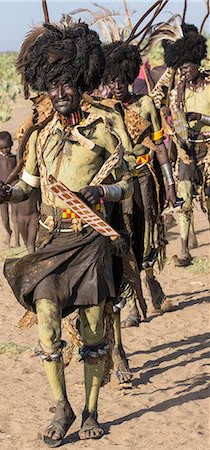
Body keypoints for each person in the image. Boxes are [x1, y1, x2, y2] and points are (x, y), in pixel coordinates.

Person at [0, 21, 134, 446]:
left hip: (90, 242)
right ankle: (61, 405)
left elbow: (125, 182)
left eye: (66, 84)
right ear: (47, 89)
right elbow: (29, 186)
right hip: (52, 244)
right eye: (53, 86)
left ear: (79, 83)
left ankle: (90, 411)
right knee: (47, 319)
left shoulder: (105, 129)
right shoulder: (41, 136)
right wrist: (5, 193)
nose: (60, 93)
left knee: (93, 334)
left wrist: (101, 190)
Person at [103, 41, 177, 326]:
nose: (118, 86)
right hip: (117, 183)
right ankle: (134, 302)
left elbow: (159, 146)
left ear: (131, 77)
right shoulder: (106, 111)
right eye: (113, 81)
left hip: (144, 179)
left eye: (123, 80)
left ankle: (150, 280)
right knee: (125, 236)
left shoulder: (145, 105)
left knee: (145, 233)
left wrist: (169, 186)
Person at [163, 23, 210, 266]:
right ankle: (183, 250)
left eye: (187, 66)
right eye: (180, 67)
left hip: (209, 148)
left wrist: (201, 118)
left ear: (196, 62)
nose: (184, 70)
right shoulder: (177, 92)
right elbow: (175, 120)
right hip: (187, 151)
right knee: (184, 196)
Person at [0, 131, 39, 251]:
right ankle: (8, 232)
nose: (5, 150)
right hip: (1, 193)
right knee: (4, 218)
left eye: (7, 147)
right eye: (2, 148)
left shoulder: (16, 159)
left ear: (12, 144)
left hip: (14, 191)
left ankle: (17, 242)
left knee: (15, 217)